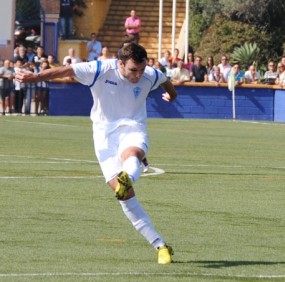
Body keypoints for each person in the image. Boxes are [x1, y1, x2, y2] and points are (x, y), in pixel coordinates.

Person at [15, 43, 177, 264]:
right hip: (104, 136)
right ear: (120, 63)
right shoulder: (100, 69)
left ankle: (127, 177)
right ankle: (160, 244)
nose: (138, 75)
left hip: (133, 127)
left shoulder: (150, 74)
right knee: (125, 197)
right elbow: (67, 71)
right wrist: (35, 77)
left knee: (131, 154)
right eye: (133, 70)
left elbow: (166, 82)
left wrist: (171, 96)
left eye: (141, 69)